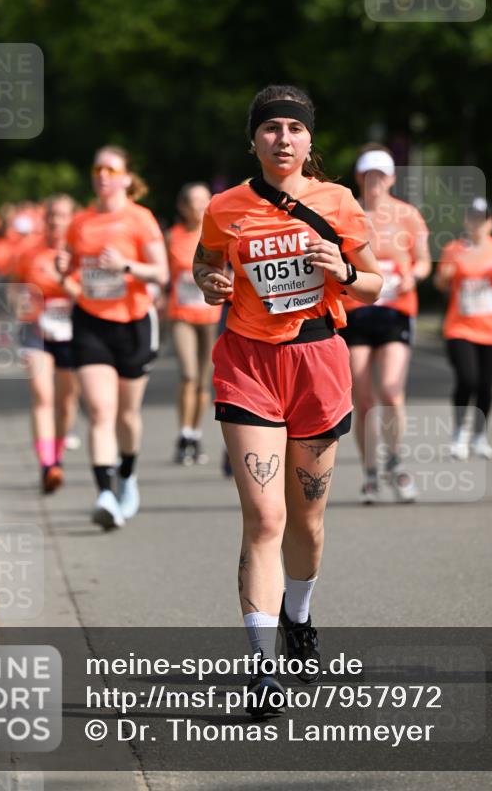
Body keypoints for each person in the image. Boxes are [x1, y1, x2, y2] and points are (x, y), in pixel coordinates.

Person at [193, 84, 382, 714]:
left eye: (294, 130)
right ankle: (261, 665)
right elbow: (205, 263)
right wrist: (211, 281)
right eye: (270, 128)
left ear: (308, 141)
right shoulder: (225, 207)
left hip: (318, 363)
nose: (283, 139)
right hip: (248, 363)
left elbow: (375, 283)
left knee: (306, 522)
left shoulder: (338, 202)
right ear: (254, 139)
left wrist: (345, 270)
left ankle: (299, 619)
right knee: (265, 519)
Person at [57, 146, 169, 529]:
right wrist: (63, 271)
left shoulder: (140, 219)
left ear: (124, 177)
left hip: (134, 323)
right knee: (101, 411)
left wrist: (126, 266)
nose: (103, 174)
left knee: (126, 414)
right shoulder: (81, 222)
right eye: (97, 168)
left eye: (111, 168)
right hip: (91, 323)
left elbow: (162, 273)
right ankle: (104, 493)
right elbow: (71, 268)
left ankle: (127, 476)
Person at [339, 145, 431, 504]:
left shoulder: (407, 215)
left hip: (396, 310)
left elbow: (423, 261)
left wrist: (413, 278)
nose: (374, 182)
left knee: (391, 391)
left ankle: (395, 459)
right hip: (357, 312)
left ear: (391, 178)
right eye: (368, 175)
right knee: (362, 398)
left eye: (380, 175)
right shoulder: (347, 216)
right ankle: (370, 472)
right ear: (359, 178)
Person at [435, 198, 492, 459]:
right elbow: (440, 284)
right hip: (460, 327)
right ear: (466, 221)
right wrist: (445, 276)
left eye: (483, 219)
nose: (477, 224)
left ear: (491, 223)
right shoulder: (454, 249)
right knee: (468, 379)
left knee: (486, 385)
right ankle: (459, 433)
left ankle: (479, 435)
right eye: (473, 218)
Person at [15, 195, 82, 493]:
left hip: (74, 332)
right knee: (42, 396)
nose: (56, 221)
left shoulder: (81, 252)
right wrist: (19, 302)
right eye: (51, 215)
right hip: (36, 331)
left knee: (66, 402)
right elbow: (14, 285)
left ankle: (57, 455)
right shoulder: (29, 251)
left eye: (62, 216)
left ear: (72, 219)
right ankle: (47, 465)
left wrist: (65, 282)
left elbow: (89, 294)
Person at [166, 183, 222, 465]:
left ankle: (196, 434)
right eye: (193, 201)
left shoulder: (218, 234)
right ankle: (184, 433)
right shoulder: (172, 237)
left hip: (210, 316)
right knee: (188, 375)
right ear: (183, 207)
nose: (199, 206)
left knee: (203, 381)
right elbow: (163, 274)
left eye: (204, 200)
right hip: (182, 316)